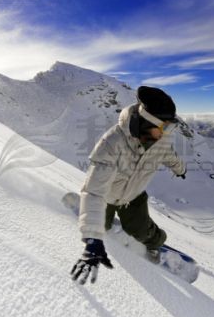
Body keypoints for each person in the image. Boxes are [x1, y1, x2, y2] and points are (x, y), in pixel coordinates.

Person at [71, 86, 187, 284]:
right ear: (145, 123)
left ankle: (155, 243)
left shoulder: (159, 140)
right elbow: (94, 192)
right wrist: (92, 239)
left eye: (168, 127)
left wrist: (180, 169)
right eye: (163, 127)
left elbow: (169, 156)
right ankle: (91, 214)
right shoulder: (112, 143)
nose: (165, 133)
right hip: (106, 195)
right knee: (102, 226)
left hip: (133, 196)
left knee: (142, 232)